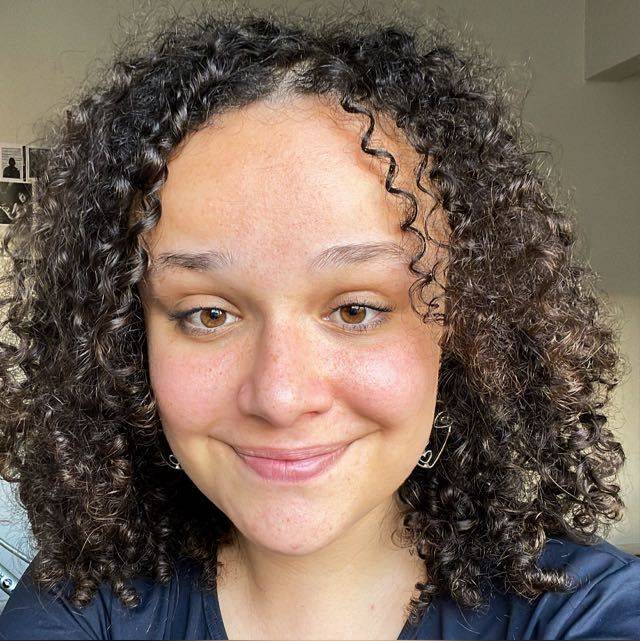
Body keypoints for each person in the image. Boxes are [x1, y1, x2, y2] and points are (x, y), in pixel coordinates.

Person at [0, 6, 638, 640]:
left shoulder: (586, 612)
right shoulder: (81, 602)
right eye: (208, 314)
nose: (280, 397)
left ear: (464, 328)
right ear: (129, 342)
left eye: (356, 310)